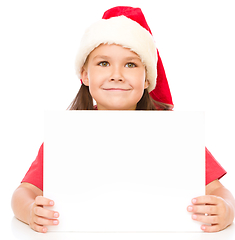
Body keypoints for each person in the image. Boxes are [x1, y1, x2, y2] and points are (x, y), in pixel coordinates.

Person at [11, 6, 235, 233]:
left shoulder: (174, 133)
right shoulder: (67, 134)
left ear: (147, 78)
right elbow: (23, 192)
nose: (116, 74)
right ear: (85, 75)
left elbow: (218, 190)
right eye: (103, 63)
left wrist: (226, 209)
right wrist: (30, 210)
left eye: (130, 64)